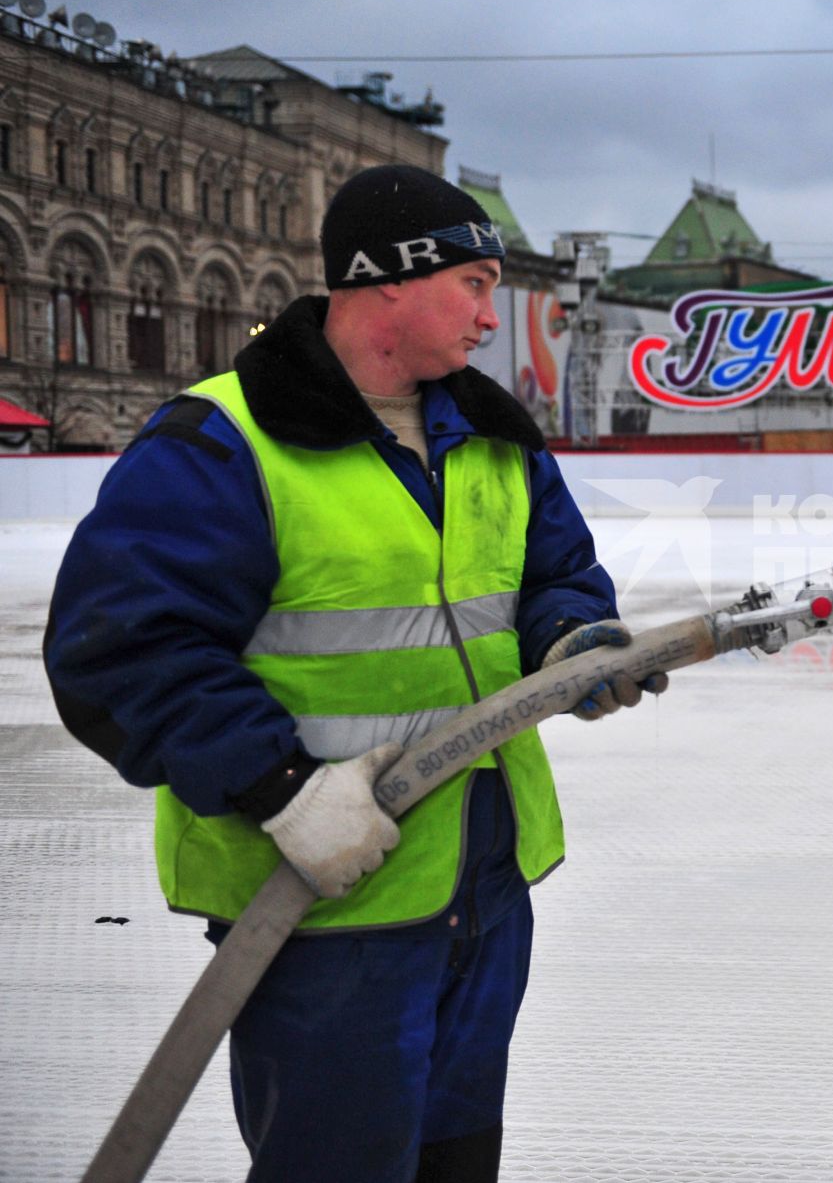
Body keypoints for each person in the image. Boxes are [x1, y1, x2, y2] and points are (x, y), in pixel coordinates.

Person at [44, 165, 659, 1182]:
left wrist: (571, 640)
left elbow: (558, 574)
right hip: (325, 906)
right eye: (474, 283)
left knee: (454, 1160)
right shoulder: (224, 443)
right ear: (390, 283)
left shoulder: (493, 437)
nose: (487, 316)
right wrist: (278, 789)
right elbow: (121, 649)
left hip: (482, 886)